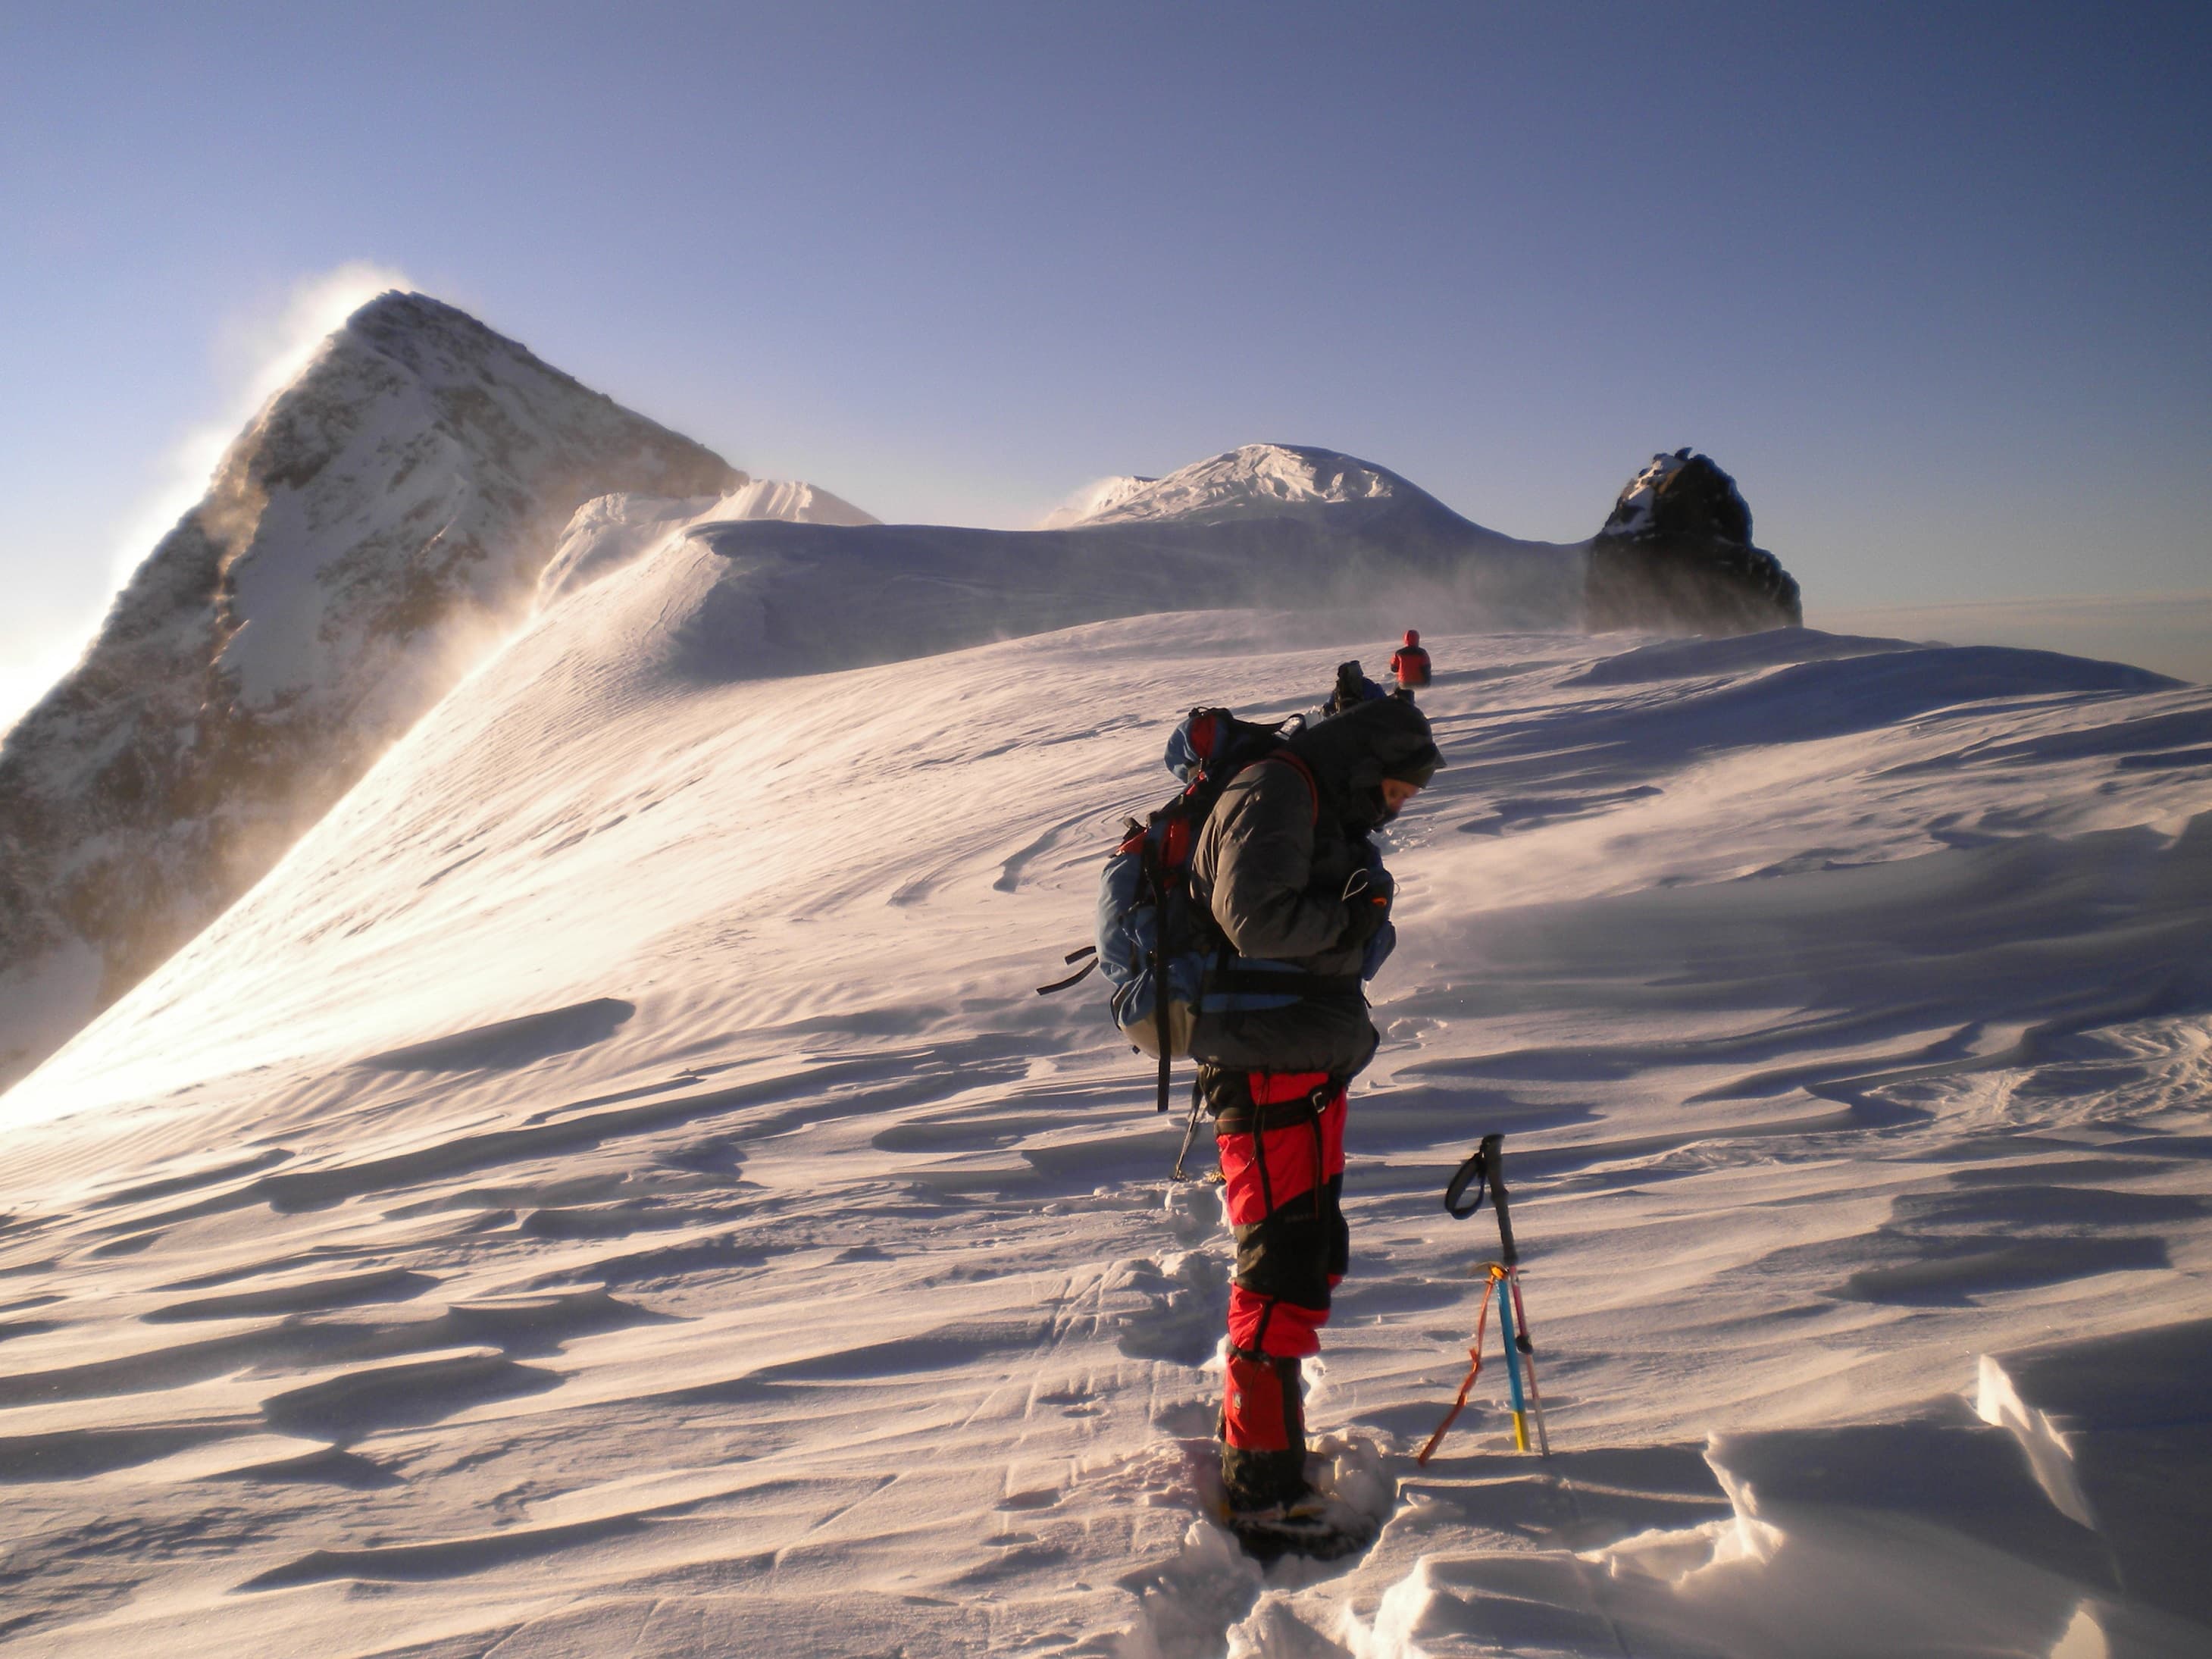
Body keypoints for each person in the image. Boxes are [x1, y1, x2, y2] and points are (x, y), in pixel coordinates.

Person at [1185, 696, 1441, 1518]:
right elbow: (1256, 919)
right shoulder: (1280, 788)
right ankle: (1259, 1481)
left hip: (1300, 1060)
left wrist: (1359, 927)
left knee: (1307, 1249)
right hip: (1268, 1066)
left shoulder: (1312, 798)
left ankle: (1267, 1442)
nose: (1395, 808)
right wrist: (1352, 931)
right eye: (1395, 791)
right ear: (1366, 764)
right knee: (1279, 1263)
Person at [1321, 659, 1387, 718]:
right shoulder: (1367, 683)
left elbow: (1327, 708)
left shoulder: (1339, 689)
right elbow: (1382, 700)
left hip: (1346, 722)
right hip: (1367, 719)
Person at [1389, 630, 1431, 697]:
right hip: (1420, 683)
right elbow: (1426, 668)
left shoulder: (1399, 653)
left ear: (1405, 639)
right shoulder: (1422, 653)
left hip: (1404, 684)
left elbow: (1394, 669)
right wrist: (1428, 682)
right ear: (1417, 639)